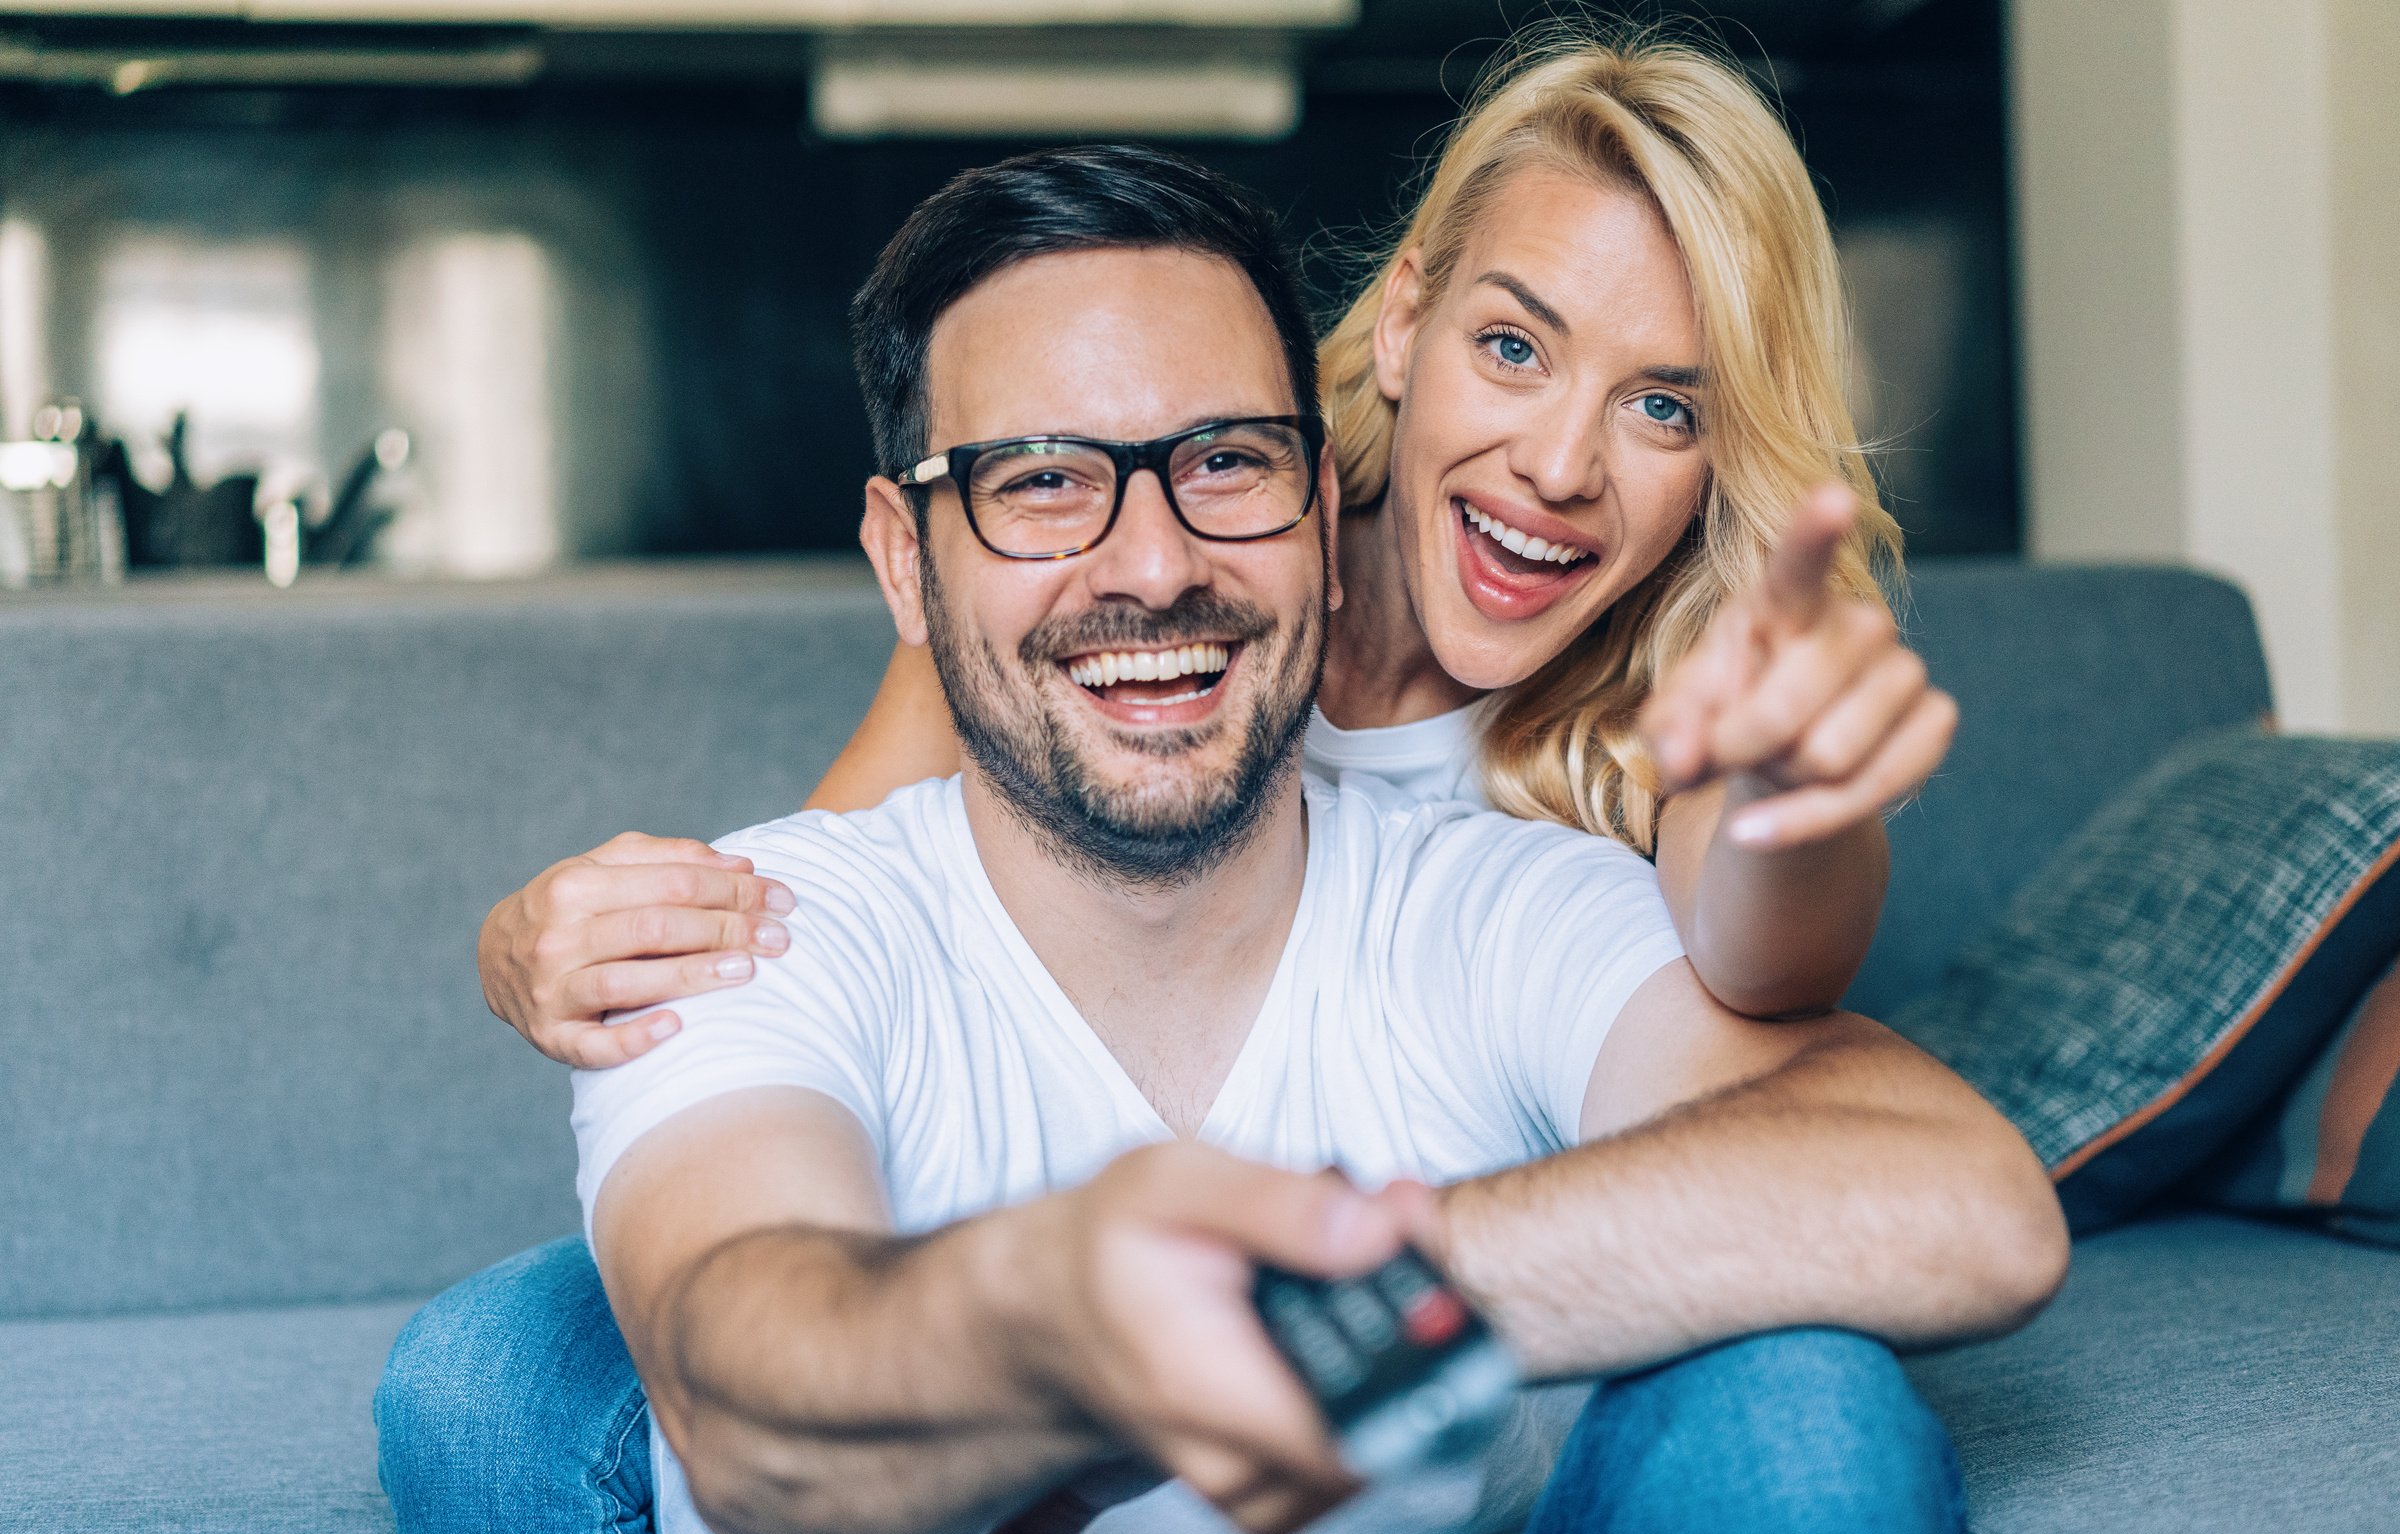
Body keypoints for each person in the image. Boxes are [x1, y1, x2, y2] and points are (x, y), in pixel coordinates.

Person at [380, 145, 2064, 1534]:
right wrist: (1057, 1321)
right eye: (1044, 483)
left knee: (1802, 1399)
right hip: (893, 1280)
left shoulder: (1542, 842)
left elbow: (1914, 1140)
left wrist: (1293, 1325)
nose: (1154, 561)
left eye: (1223, 468)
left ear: (1309, 503)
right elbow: (828, 984)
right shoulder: (828, 897)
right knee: (507, 1375)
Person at [476, 28, 1955, 1068]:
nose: (1559, 467)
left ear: (1717, 464)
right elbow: (817, 917)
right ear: (1404, 323)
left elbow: (1775, 961)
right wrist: (525, 944)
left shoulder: (1681, 707)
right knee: (491, 1371)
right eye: (1513, 346)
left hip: (1415, 1297)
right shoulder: (1131, 573)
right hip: (1058, 1213)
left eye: (1661, 406)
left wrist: (1789, 791)